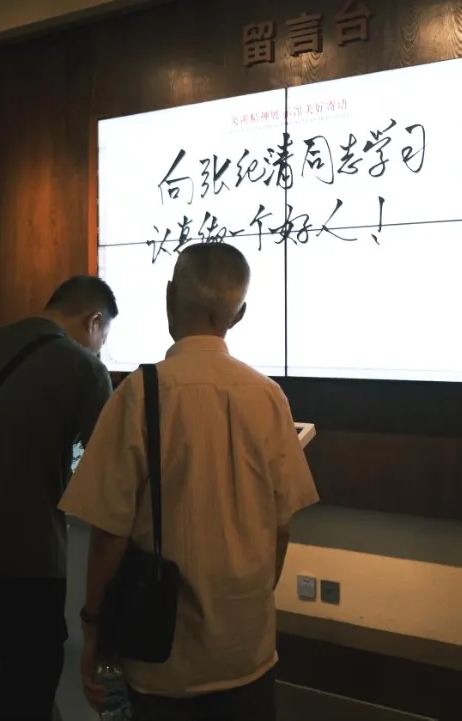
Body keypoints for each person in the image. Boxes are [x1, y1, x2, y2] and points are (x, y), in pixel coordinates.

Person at [59, 244, 320, 721]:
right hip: (247, 651)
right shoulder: (269, 397)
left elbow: (110, 535)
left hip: (163, 656)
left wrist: (93, 627)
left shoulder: (139, 394)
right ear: (239, 315)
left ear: (169, 297)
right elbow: (281, 528)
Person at [0, 275, 118, 721]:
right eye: (103, 339)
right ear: (94, 321)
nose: (99, 350)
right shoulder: (85, 370)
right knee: (26, 692)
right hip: (32, 560)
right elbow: (100, 471)